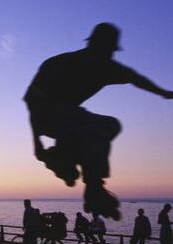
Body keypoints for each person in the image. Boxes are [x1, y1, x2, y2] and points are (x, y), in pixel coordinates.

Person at [24, 23, 173, 221]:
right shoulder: (59, 64)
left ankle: (69, 161)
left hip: (71, 118)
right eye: (107, 51)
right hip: (45, 115)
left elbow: (136, 79)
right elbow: (32, 101)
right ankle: (79, 174)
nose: (110, 56)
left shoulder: (107, 67)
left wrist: (163, 93)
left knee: (110, 125)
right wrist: (37, 143)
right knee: (84, 124)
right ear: (94, 45)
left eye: (112, 52)